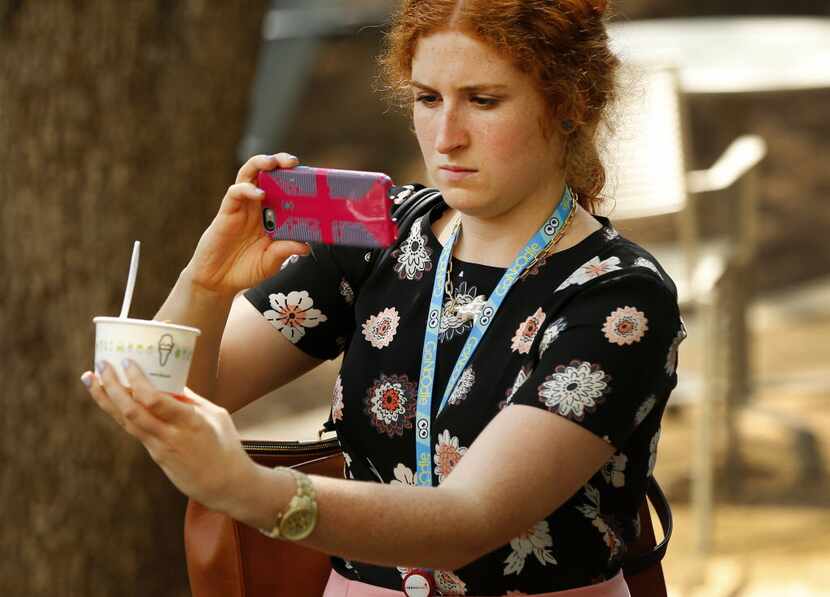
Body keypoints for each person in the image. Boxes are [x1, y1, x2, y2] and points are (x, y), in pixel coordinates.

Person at [80, 1, 687, 595]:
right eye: (428, 98)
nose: (446, 137)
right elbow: (185, 391)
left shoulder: (618, 296)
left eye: (483, 100)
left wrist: (246, 489)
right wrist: (206, 284)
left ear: (569, 106)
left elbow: (468, 522)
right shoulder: (381, 232)